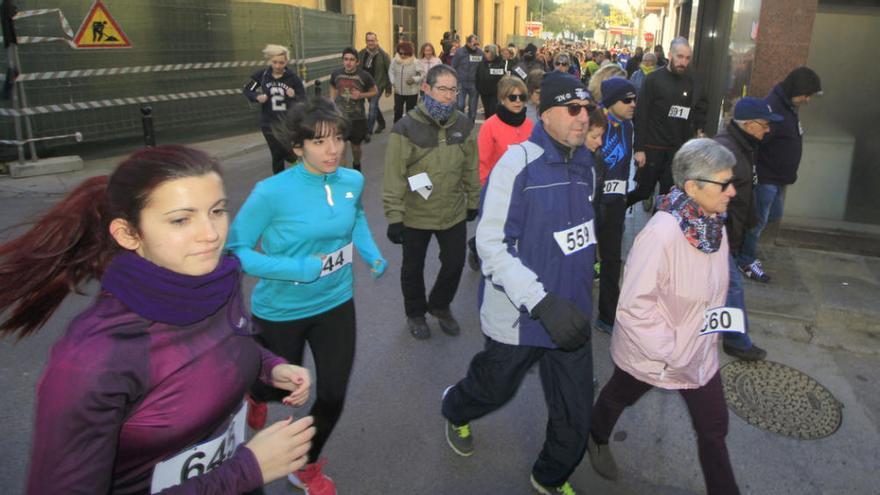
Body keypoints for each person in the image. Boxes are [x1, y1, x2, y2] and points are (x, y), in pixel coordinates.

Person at [3, 145, 315, 493]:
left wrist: (269, 366)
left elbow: (230, 341)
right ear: (128, 234)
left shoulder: (217, 281)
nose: (211, 234)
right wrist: (247, 469)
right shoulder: (93, 358)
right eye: (181, 219)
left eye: (216, 211)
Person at [441, 72, 597, 495]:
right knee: (494, 390)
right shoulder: (516, 165)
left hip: (572, 316)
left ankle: (549, 476)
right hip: (522, 317)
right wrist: (542, 302)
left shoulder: (586, 165)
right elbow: (490, 245)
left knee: (576, 409)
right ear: (545, 114)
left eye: (588, 109)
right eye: (573, 108)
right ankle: (455, 407)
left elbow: (578, 238)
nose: (583, 117)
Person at [228, 97, 387, 495]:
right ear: (297, 148)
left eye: (337, 139)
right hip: (282, 310)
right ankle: (256, 391)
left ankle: (306, 465)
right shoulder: (271, 192)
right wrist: (297, 269)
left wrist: (371, 253)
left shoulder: (351, 180)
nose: (332, 150)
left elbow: (357, 219)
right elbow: (237, 251)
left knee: (332, 394)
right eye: (319, 142)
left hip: (335, 303)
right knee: (278, 388)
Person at [587, 138, 741, 495]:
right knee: (619, 396)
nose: (732, 191)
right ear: (692, 186)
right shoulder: (661, 234)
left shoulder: (713, 225)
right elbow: (633, 308)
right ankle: (595, 436)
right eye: (724, 183)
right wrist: (673, 349)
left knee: (714, 428)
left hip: (699, 356)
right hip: (657, 353)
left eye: (732, 181)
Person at [383, 64, 480, 339]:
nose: (449, 96)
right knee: (412, 267)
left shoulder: (463, 123)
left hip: (452, 210)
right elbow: (394, 175)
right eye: (442, 89)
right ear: (426, 88)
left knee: (454, 262)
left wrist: (473, 199)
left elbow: (471, 166)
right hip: (415, 213)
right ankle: (415, 313)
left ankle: (439, 305)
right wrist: (394, 217)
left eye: (453, 89)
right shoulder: (406, 127)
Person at [739, 66, 822, 281]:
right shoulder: (774, 107)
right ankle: (745, 259)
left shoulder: (789, 106)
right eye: (807, 95)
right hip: (768, 178)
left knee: (772, 215)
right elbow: (757, 141)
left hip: (778, 178)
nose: (808, 100)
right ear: (797, 90)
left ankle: (744, 250)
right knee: (758, 221)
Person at [712, 97, 779, 361]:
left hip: (730, 233)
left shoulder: (745, 145)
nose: (768, 130)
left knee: (725, 286)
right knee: (732, 287)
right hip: (719, 234)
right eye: (764, 125)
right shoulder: (724, 150)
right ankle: (737, 341)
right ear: (749, 125)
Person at [628, 37, 708, 210]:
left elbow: (701, 107)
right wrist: (639, 149)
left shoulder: (693, 81)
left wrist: (699, 130)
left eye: (687, 58)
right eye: (680, 56)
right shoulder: (653, 79)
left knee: (668, 196)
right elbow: (641, 114)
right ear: (670, 55)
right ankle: (618, 211)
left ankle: (658, 229)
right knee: (643, 191)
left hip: (677, 150)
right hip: (652, 147)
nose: (683, 62)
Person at [467, 76, 535, 270]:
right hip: (497, 190)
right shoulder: (490, 125)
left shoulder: (530, 125)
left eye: (522, 97)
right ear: (502, 99)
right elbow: (482, 161)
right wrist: (485, 190)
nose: (518, 102)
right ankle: (477, 248)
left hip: (525, 190)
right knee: (495, 231)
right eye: (512, 97)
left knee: (516, 230)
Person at [594, 77, 637, 335]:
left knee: (612, 260)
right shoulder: (594, 123)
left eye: (634, 99)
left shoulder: (628, 126)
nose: (634, 104)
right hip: (591, 203)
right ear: (611, 102)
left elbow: (624, 163)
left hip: (614, 205)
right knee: (582, 261)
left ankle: (607, 317)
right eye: (628, 100)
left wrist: (621, 198)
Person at [243, 44, 306, 175]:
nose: (278, 66)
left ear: (286, 62)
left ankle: (293, 162)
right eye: (275, 62)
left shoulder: (292, 78)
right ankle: (279, 183)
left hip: (287, 123)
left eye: (281, 63)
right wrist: (257, 96)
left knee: (288, 151)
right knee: (276, 154)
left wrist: (294, 95)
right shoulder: (262, 75)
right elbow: (247, 90)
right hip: (268, 123)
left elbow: (303, 99)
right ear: (269, 61)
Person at [329, 47, 378, 171]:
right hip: (340, 118)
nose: (348, 62)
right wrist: (332, 103)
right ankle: (343, 176)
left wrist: (360, 95)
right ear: (342, 60)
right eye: (345, 59)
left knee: (356, 148)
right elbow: (333, 86)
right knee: (341, 149)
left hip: (358, 118)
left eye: (351, 60)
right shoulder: (336, 74)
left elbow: (374, 91)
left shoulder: (364, 75)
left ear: (357, 62)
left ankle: (357, 165)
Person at [358, 32, 392, 140]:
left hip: (378, 85)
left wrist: (388, 88)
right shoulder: (361, 53)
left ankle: (368, 131)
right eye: (368, 40)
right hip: (365, 86)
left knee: (372, 106)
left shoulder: (383, 55)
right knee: (374, 106)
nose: (371, 43)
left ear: (376, 41)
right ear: (366, 41)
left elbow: (389, 72)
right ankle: (381, 123)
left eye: (372, 40)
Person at [451, 34, 484, 121]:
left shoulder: (480, 53)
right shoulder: (460, 52)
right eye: (473, 43)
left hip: (474, 83)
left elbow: (483, 67)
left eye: (476, 43)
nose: (476, 45)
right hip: (461, 82)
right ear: (468, 43)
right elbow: (453, 66)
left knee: (473, 108)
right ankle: (461, 123)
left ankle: (470, 125)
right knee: (460, 105)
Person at [388, 40, 422, 123]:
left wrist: (414, 79)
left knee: (411, 113)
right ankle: (397, 130)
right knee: (397, 111)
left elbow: (421, 75)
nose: (402, 55)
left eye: (405, 53)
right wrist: (393, 82)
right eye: (400, 53)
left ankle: (410, 130)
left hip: (411, 92)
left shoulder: (415, 62)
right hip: (398, 92)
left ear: (409, 53)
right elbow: (390, 71)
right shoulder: (394, 61)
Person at [475, 44, 505, 119]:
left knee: (493, 112)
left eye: (487, 51)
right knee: (487, 112)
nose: (485, 53)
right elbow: (477, 76)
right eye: (485, 51)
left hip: (495, 94)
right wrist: (479, 88)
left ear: (493, 52)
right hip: (484, 93)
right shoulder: (482, 63)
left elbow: (502, 79)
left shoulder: (500, 64)